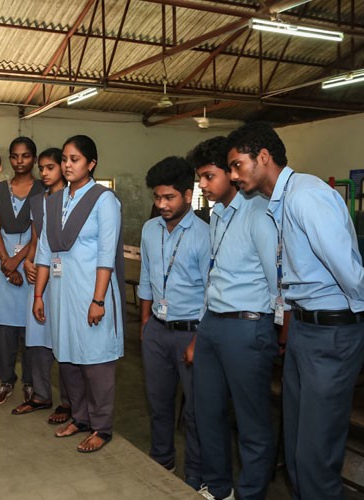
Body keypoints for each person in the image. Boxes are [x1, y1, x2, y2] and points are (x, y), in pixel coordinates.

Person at [226, 122, 364, 500]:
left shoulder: (307, 196)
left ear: (263, 158)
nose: (233, 176)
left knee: (316, 453)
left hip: (332, 331)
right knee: (297, 449)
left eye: (237, 165)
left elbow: (348, 268)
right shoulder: (279, 203)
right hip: (304, 328)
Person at [187, 136, 279, 500]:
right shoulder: (217, 216)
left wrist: (277, 333)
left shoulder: (260, 213)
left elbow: (278, 281)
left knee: (251, 422)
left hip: (247, 325)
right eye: (200, 178)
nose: (203, 186)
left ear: (231, 171)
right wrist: (200, 330)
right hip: (212, 324)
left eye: (209, 176)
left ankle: (251, 494)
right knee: (207, 413)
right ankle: (219, 488)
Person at [33, 135, 124, 453]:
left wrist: (98, 300)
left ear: (91, 164)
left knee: (96, 360)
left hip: (90, 292)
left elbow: (106, 253)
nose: (68, 165)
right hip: (61, 294)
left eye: (75, 159)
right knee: (68, 357)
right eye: (65, 160)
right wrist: (39, 295)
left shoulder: (104, 199)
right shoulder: (52, 201)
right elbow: (43, 251)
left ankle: (102, 426)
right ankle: (80, 417)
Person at [138, 156, 209, 488]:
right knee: (158, 404)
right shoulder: (149, 230)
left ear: (188, 193)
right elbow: (145, 279)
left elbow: (213, 294)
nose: (162, 205)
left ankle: (194, 476)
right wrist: (144, 325)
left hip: (191, 333)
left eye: (170, 198)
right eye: (157, 198)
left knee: (195, 412)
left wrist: (199, 340)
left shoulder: (204, 235)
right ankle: (161, 462)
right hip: (156, 330)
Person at [13, 148, 71, 420]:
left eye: (50, 167)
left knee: (64, 337)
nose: (44, 173)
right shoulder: (38, 201)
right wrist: (27, 261)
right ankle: (40, 395)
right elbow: (36, 241)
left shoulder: (73, 198)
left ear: (63, 167)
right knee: (36, 337)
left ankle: (69, 401)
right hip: (38, 276)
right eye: (42, 168)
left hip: (64, 277)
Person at [0, 137, 44, 405]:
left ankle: (31, 382)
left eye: (25, 156)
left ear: (33, 158)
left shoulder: (43, 190)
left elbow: (38, 235)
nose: (19, 161)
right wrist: (6, 263)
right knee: (4, 328)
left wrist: (17, 261)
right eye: (14, 156)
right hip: (3, 267)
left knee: (30, 328)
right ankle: (6, 380)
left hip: (31, 264)